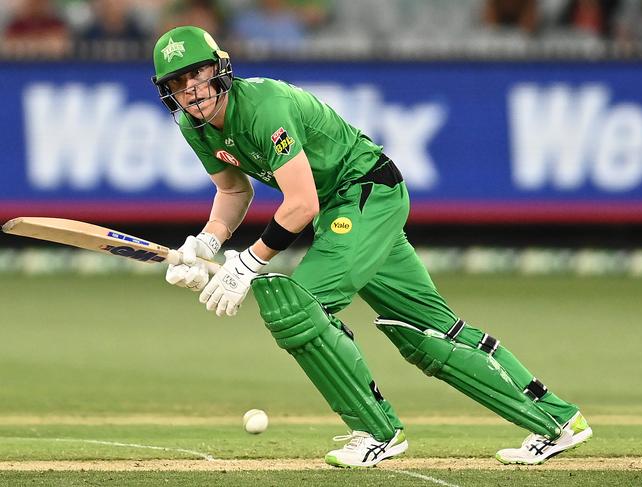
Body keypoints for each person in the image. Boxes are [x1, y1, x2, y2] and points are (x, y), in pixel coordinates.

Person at [151, 25, 593, 468]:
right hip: (347, 207)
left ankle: (378, 431)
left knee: (298, 305)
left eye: (198, 74)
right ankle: (558, 421)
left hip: (366, 191)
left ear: (220, 67)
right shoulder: (195, 127)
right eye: (178, 82)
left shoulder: (265, 106)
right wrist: (206, 243)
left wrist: (247, 263)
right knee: (426, 335)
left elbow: (301, 204)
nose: (191, 90)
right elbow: (233, 193)